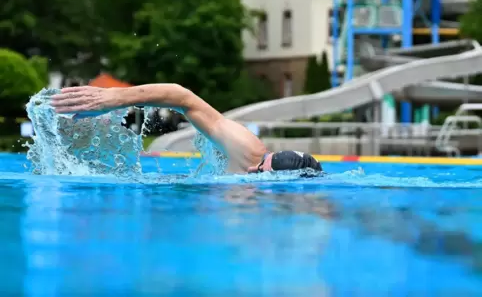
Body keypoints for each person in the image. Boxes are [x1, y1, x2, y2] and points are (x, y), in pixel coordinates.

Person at [51, 84, 322, 175]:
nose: (253, 169)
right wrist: (115, 98)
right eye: (260, 164)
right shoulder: (250, 154)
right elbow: (183, 98)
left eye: (261, 172)